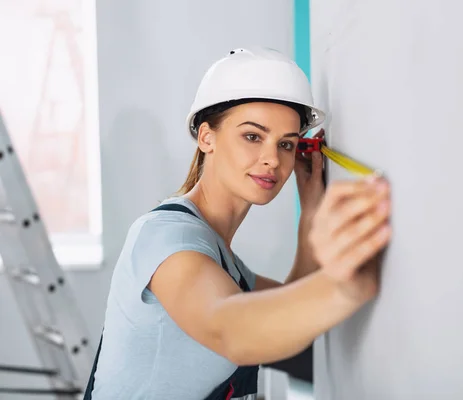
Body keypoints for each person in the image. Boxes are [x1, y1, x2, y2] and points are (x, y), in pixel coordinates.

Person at [87, 47, 392, 400]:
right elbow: (231, 329)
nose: (272, 160)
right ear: (206, 137)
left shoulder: (223, 260)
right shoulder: (165, 239)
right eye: (252, 136)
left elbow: (281, 317)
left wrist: (310, 210)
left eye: (287, 145)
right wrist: (343, 286)